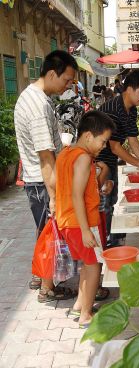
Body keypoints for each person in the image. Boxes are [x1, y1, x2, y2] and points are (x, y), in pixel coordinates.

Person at [14, 50, 78, 300]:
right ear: (52, 73)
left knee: (43, 230)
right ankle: (47, 288)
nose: (69, 85)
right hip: (42, 181)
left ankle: (40, 275)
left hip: (37, 180)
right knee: (51, 231)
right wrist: (54, 195)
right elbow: (45, 158)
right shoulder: (39, 105)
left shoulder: (34, 96)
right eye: (67, 79)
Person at [55, 111, 115, 327]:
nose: (104, 146)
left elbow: (57, 184)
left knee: (86, 264)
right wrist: (86, 230)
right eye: (103, 141)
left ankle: (79, 305)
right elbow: (76, 195)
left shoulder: (65, 153)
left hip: (67, 221)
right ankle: (86, 315)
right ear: (88, 136)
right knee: (93, 266)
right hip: (82, 222)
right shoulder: (82, 157)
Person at [97, 70, 139, 245]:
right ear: (129, 89)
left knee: (112, 200)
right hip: (98, 161)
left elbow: (132, 139)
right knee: (102, 202)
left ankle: (110, 236)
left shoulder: (131, 109)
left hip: (110, 160)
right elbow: (115, 147)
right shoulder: (114, 108)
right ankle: (102, 241)